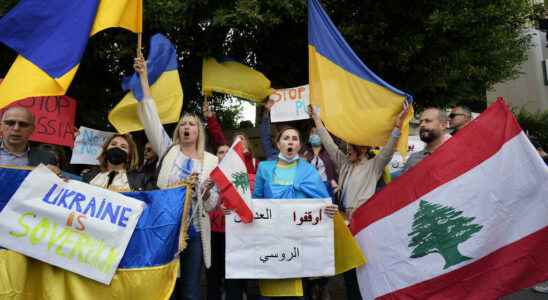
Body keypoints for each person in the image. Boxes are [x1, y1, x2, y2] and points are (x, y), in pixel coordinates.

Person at [134, 55, 218, 300]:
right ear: (178, 130)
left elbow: (212, 205)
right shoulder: (168, 150)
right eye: (183, 124)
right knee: (165, 286)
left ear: (198, 131)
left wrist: (204, 191)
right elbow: (151, 117)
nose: (187, 127)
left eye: (192, 124)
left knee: (191, 289)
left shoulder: (211, 161)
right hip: (165, 225)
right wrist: (143, 77)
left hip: (194, 230)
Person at [310, 102, 409, 300]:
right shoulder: (344, 163)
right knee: (349, 269)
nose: (347, 149)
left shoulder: (374, 165)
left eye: (351, 146)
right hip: (345, 221)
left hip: (365, 223)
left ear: (363, 149)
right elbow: (329, 144)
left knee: (366, 269)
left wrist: (398, 126)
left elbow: (389, 150)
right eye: (346, 146)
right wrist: (317, 121)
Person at [81, 133, 150, 192]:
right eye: (113, 144)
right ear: (106, 150)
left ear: (129, 156)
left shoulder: (140, 180)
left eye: (123, 147)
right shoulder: (89, 174)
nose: (117, 148)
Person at [402, 107, 451, 173]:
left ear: (443, 125)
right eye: (420, 122)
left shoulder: (453, 158)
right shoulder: (413, 159)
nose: (422, 125)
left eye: (428, 121)